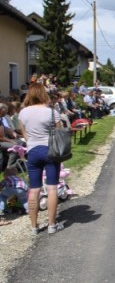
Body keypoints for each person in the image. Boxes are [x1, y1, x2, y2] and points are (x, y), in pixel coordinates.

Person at [17, 83, 65, 235]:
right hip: (50, 150)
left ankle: (34, 226)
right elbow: (59, 133)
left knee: (34, 189)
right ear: (44, 93)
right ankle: (51, 224)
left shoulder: (23, 113)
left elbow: (25, 135)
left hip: (33, 151)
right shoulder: (51, 112)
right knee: (51, 188)